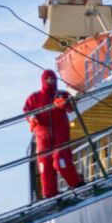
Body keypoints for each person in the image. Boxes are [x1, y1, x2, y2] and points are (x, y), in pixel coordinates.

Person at [24, 69, 84, 200]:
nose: (50, 81)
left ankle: (76, 183)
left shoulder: (61, 94)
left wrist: (63, 103)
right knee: (45, 165)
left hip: (60, 135)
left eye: (52, 79)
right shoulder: (34, 98)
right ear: (43, 80)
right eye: (47, 79)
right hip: (42, 137)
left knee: (60, 160)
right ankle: (50, 194)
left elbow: (71, 106)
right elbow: (27, 110)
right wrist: (32, 118)